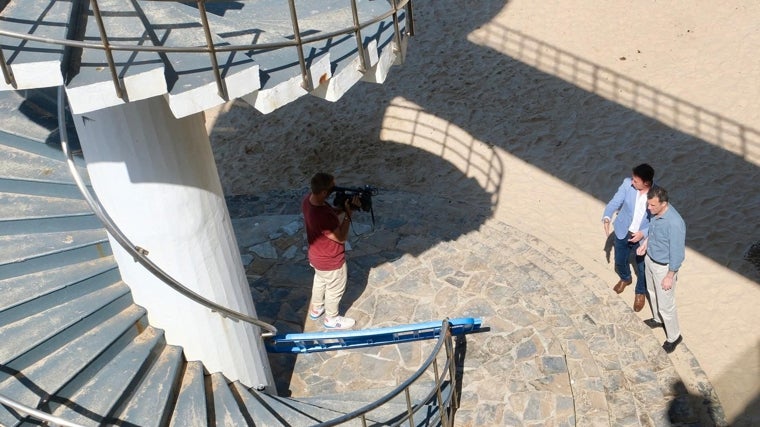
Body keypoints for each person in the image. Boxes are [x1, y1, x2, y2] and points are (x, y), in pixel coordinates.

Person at [301, 172, 358, 329]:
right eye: (333, 187)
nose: (335, 189)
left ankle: (317, 307)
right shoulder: (321, 216)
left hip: (316, 257)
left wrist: (343, 208)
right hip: (331, 260)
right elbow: (340, 238)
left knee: (320, 281)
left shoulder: (308, 200)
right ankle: (331, 318)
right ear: (325, 192)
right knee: (335, 289)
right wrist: (348, 215)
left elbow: (330, 213)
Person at [636, 185, 686, 353]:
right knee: (651, 292)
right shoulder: (655, 213)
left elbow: (677, 253)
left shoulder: (675, 223)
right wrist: (646, 244)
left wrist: (670, 276)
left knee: (667, 305)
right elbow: (654, 232)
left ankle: (674, 336)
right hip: (650, 259)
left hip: (664, 268)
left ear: (664, 204)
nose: (649, 209)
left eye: (652, 206)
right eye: (648, 205)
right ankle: (658, 319)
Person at [602, 163, 655, 312]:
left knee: (642, 267)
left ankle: (640, 292)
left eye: (636, 181)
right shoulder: (627, 184)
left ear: (646, 183)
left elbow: (658, 221)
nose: (632, 182)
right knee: (619, 260)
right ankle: (626, 278)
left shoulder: (657, 194)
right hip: (623, 230)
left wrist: (643, 233)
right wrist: (607, 216)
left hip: (642, 238)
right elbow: (615, 202)